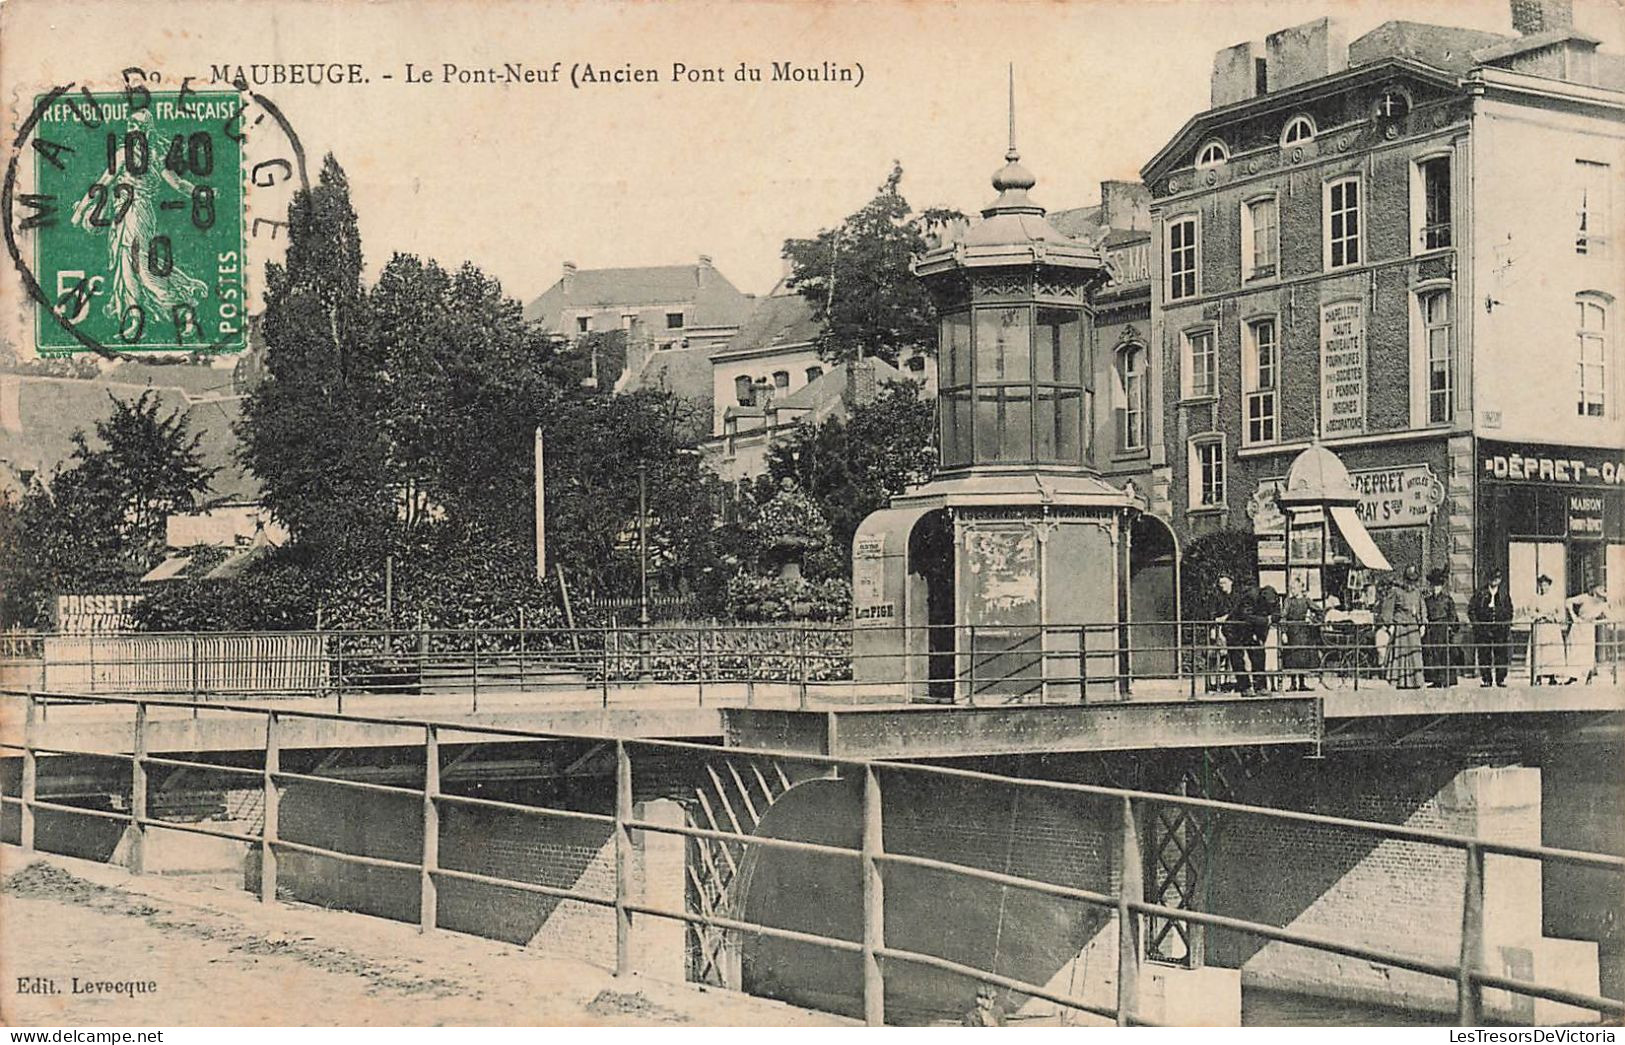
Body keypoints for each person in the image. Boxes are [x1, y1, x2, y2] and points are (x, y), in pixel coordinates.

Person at [1216, 574, 1265, 695]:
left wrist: (1226, 617)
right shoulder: (1218, 598)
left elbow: (1242, 611)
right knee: (1236, 659)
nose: (1222, 586)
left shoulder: (1240, 596)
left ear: (1231, 582)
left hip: (1245, 630)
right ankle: (1245, 687)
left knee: (1257, 655)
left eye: (1225, 583)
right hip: (1231, 631)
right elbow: (1214, 614)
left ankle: (1260, 686)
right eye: (1220, 584)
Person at [1380, 566, 1426, 689]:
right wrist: (1389, 624)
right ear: (1405, 580)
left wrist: (1423, 624)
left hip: (1413, 628)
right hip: (1400, 627)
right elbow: (1387, 608)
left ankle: (1415, 681)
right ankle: (1399, 681)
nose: (1412, 584)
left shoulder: (1417, 593)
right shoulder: (1396, 591)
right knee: (1399, 653)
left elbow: (1422, 607)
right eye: (1410, 581)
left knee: (1414, 655)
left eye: (1414, 581)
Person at [1468, 570, 1514, 687]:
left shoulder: (1504, 594)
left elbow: (1509, 611)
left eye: (1497, 578)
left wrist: (1506, 624)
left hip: (1500, 629)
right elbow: (1471, 610)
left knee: (1501, 654)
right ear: (1488, 579)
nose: (1494, 581)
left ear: (1500, 580)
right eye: (1492, 578)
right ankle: (1486, 679)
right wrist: (1477, 625)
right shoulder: (1480, 593)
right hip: (1484, 628)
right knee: (1484, 654)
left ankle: (1500, 679)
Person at [1528, 574, 1572, 685]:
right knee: (1540, 651)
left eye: (1546, 585)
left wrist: (1552, 617)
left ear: (1549, 586)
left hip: (1552, 628)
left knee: (1552, 651)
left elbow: (1561, 615)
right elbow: (1531, 612)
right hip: (1541, 627)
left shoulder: (1555, 599)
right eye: (1542, 585)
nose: (1544, 587)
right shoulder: (1536, 598)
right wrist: (1540, 616)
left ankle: (1552, 676)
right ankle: (1538, 676)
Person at [1279, 578, 1321, 691]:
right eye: (1291, 588)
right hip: (1291, 632)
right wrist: (1283, 632)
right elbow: (1283, 616)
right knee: (1292, 657)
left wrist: (1313, 620)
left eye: (1295, 587)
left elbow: (1319, 610)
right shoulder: (1288, 601)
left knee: (1302, 657)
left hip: (1303, 632)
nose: (1293, 590)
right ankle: (1293, 683)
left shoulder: (1306, 600)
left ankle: (1302, 683)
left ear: (1301, 588)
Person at [1422, 567, 1460, 688]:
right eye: (1433, 585)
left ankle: (1447, 679)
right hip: (1432, 629)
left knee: (1445, 654)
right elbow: (1425, 613)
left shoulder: (1447, 600)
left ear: (1441, 586)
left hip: (1443, 629)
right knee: (1433, 654)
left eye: (1437, 585)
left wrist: (1451, 627)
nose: (1435, 588)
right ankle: (1435, 679)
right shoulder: (1427, 600)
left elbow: (1453, 615)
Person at [1567, 582, 1611, 685]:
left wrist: (1597, 622)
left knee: (1587, 651)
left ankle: (1588, 675)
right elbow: (1568, 601)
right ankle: (1573, 676)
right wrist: (1573, 616)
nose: (1600, 598)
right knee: (1575, 650)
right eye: (1598, 596)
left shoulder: (1602, 605)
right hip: (1578, 626)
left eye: (1602, 597)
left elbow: (1610, 618)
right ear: (1594, 593)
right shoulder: (1585, 598)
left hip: (1589, 628)